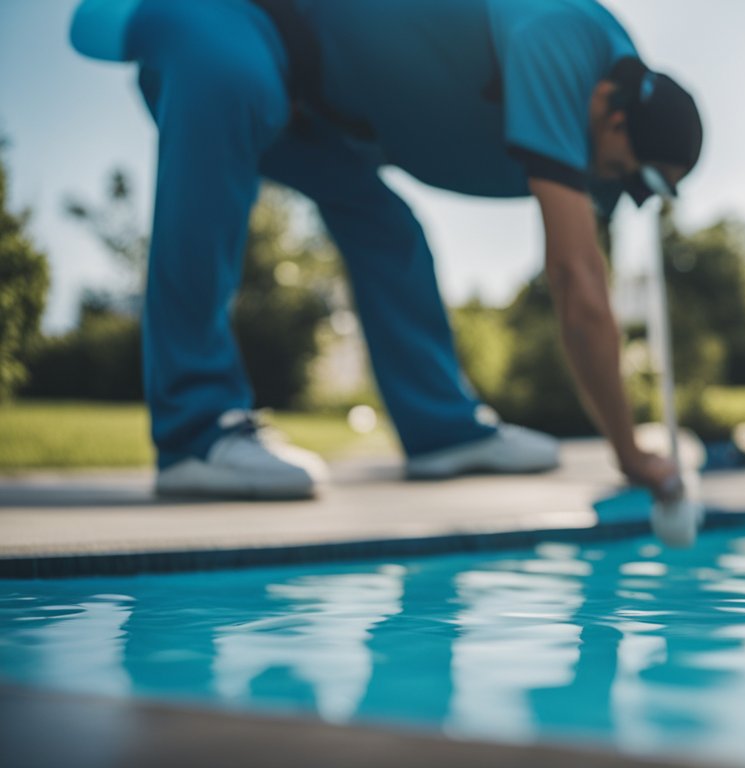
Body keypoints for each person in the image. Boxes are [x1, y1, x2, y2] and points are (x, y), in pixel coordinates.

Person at [69, 0, 702, 500]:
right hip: (230, 18)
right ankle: (195, 433)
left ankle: (443, 432)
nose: (628, 194)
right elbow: (574, 275)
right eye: (641, 178)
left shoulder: (599, 102)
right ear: (615, 117)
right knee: (231, 78)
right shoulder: (566, 39)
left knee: (388, 231)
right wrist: (630, 453)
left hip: (309, 102)